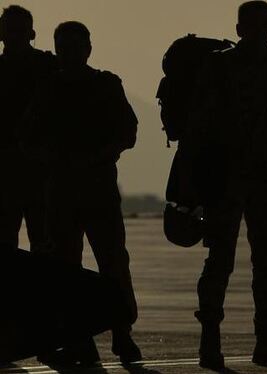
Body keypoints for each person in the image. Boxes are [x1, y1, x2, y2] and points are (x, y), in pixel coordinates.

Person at [186, 1, 267, 370]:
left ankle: (266, 339)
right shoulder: (220, 66)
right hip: (228, 178)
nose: (259, 32)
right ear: (239, 30)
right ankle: (211, 341)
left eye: (264, 26)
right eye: (252, 26)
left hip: (265, 177)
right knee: (222, 260)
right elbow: (202, 125)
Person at [21, 21, 141, 366]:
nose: (71, 54)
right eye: (65, 47)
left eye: (76, 47)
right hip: (62, 191)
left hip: (97, 189)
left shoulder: (105, 85)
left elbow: (127, 133)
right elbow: (27, 138)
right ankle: (79, 338)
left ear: (88, 49)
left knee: (113, 264)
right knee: (66, 269)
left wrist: (96, 157)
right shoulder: (47, 89)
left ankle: (121, 334)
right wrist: (56, 160)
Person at [0, 5, 55, 253]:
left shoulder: (50, 68)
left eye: (19, 31)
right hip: (9, 170)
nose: (15, 36)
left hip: (42, 171)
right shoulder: (49, 67)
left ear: (31, 34)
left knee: (45, 243)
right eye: (10, 30)